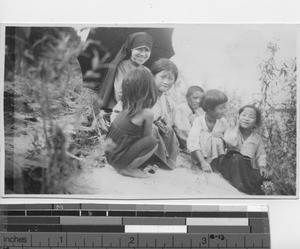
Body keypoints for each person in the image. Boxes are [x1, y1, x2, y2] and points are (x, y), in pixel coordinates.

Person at [111, 58, 180, 170]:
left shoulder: (169, 103)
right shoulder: (140, 93)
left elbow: (169, 124)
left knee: (167, 130)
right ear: (153, 76)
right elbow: (117, 115)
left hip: (150, 140)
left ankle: (158, 159)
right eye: (162, 77)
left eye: (170, 78)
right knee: (151, 129)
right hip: (128, 140)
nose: (166, 82)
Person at [104, 67, 158, 178]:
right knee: (153, 142)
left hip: (109, 156)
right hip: (118, 161)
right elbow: (146, 138)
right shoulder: (147, 113)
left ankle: (125, 164)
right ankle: (128, 169)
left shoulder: (125, 104)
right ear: (149, 89)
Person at [211, 105, 272, 194]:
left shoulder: (256, 137)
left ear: (256, 123)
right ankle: (244, 188)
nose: (246, 119)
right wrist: (236, 126)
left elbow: (261, 154)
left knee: (262, 176)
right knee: (237, 157)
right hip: (230, 162)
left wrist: (261, 166)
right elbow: (231, 142)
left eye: (251, 117)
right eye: (243, 116)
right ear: (238, 117)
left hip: (245, 166)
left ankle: (244, 183)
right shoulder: (231, 130)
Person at [99, 32, 154, 109]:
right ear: (132, 49)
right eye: (139, 49)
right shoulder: (122, 66)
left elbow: (149, 94)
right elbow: (119, 92)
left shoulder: (147, 71)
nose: (143, 54)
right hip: (119, 108)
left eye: (147, 50)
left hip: (138, 109)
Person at [187, 89, 228, 172]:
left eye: (225, 107)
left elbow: (229, 141)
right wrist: (202, 162)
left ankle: (217, 163)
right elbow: (192, 141)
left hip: (216, 156)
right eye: (221, 108)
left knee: (218, 139)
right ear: (209, 109)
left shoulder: (223, 121)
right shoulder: (199, 121)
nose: (224, 111)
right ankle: (203, 162)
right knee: (205, 135)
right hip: (200, 156)